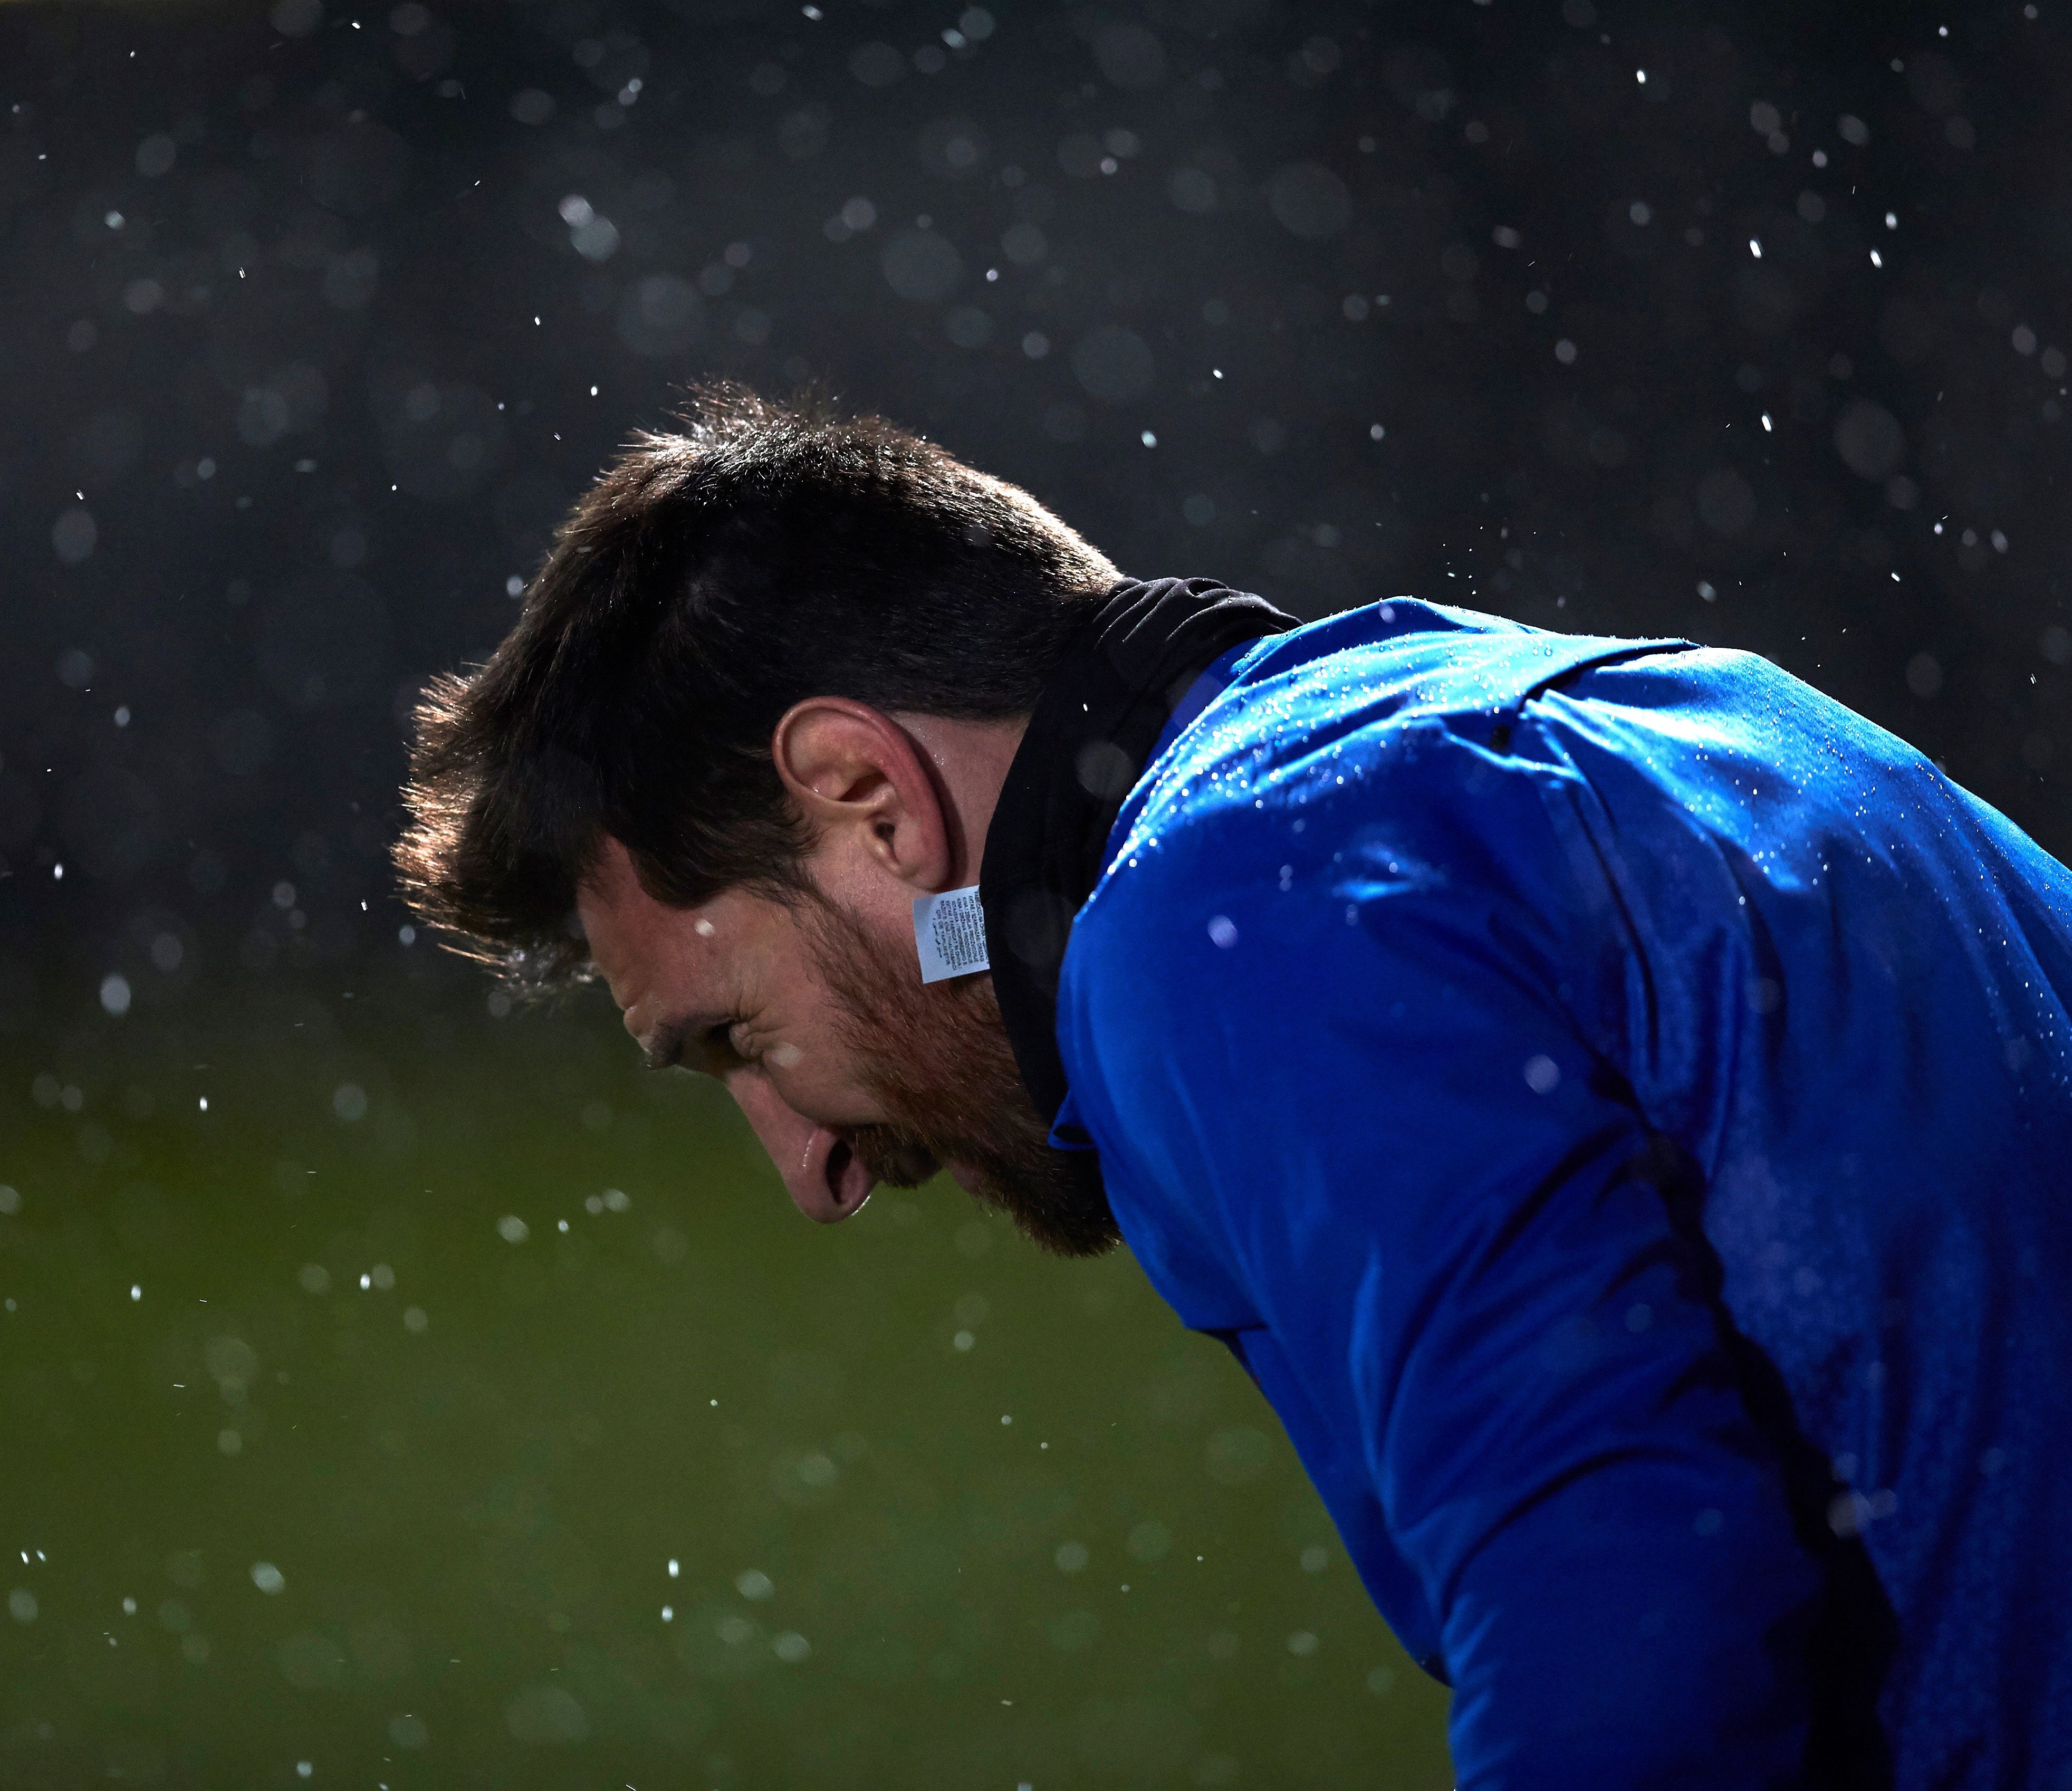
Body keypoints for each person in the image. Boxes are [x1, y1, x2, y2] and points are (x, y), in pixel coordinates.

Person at [394, 387, 2072, 1788]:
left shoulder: (1230, 901)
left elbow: (1629, 1617)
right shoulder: (1678, 709)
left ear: (867, 800)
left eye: (735, 1038)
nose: (805, 1167)